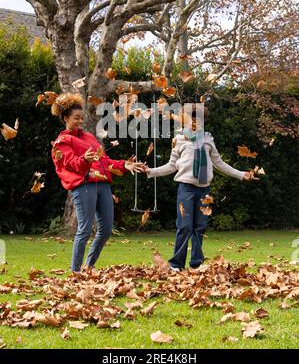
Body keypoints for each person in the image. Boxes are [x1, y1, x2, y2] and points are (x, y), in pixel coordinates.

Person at [143, 104, 255, 271]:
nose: (195, 122)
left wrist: (241, 174)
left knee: (200, 227)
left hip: (204, 190)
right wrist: (150, 171)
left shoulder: (208, 139)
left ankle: (197, 264)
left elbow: (219, 163)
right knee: (185, 226)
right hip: (186, 189)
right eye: (192, 118)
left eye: (199, 119)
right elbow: (171, 165)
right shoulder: (179, 139)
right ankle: (176, 264)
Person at [51, 92, 144, 272]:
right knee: (85, 230)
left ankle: (89, 266)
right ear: (65, 118)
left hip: (103, 185)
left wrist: (125, 164)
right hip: (84, 186)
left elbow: (105, 161)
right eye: (76, 118)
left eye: (81, 118)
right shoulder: (62, 142)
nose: (80, 121)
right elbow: (70, 165)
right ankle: (75, 271)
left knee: (106, 229)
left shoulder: (89, 137)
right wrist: (85, 160)